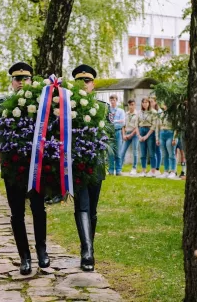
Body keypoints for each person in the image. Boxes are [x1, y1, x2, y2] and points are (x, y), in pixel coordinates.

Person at [0, 62, 50, 275]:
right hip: (13, 168)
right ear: (12, 82)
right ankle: (24, 257)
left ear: (32, 80)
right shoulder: (1, 103)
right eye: (17, 79)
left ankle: (42, 251)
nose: (21, 82)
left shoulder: (41, 103)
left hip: (35, 168)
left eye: (25, 78)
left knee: (38, 209)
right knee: (17, 213)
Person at [71, 64, 106, 271]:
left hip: (96, 165)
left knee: (92, 209)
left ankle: (88, 246)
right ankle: (87, 253)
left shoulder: (103, 107)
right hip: (76, 165)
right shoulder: (66, 106)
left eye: (87, 81)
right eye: (80, 81)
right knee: (82, 206)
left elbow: (108, 135)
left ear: (93, 84)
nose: (84, 84)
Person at [156, 104, 178, 179]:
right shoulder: (161, 114)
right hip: (162, 134)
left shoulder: (174, 114)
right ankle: (166, 171)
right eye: (165, 104)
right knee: (164, 155)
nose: (165, 105)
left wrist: (174, 138)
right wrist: (157, 138)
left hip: (170, 133)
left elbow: (176, 127)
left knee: (171, 154)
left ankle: (173, 171)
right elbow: (157, 126)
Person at [138, 98, 157, 177]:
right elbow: (136, 124)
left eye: (146, 102)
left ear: (149, 103)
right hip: (141, 130)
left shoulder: (153, 112)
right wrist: (139, 135)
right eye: (143, 102)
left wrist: (146, 136)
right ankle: (143, 170)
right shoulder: (139, 112)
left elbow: (154, 125)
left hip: (150, 131)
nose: (145, 104)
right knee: (143, 153)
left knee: (151, 152)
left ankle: (153, 171)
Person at [120, 99, 139, 175]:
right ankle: (119, 167)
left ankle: (134, 168)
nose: (131, 106)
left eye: (132, 105)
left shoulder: (137, 114)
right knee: (122, 151)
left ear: (134, 105)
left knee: (135, 151)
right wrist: (124, 135)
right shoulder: (125, 114)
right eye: (130, 105)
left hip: (134, 134)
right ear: (128, 105)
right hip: (127, 133)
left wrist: (131, 135)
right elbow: (123, 126)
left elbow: (137, 126)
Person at [107, 94, 125, 176]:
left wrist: (114, 122)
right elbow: (107, 122)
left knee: (118, 152)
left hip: (118, 132)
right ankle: (111, 170)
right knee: (110, 152)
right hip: (110, 133)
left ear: (116, 100)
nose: (112, 102)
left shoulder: (120, 111)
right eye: (111, 100)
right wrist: (118, 121)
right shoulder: (108, 110)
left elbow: (123, 122)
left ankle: (118, 170)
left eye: (114, 100)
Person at [149, 96, 162, 176]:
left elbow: (159, 124)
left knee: (157, 150)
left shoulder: (159, 111)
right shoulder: (150, 111)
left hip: (158, 132)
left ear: (155, 102)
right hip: (151, 131)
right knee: (152, 151)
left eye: (152, 102)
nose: (151, 103)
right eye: (149, 102)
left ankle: (157, 168)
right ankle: (153, 168)